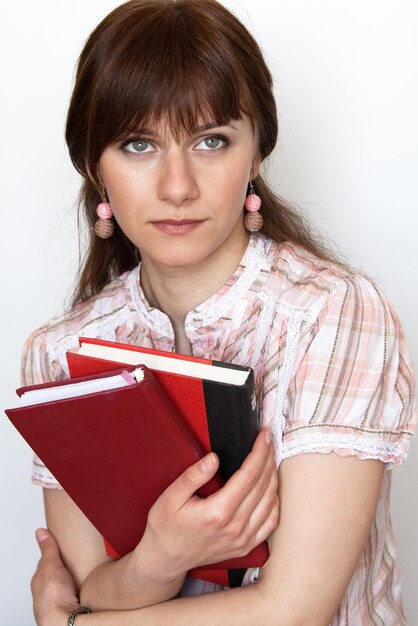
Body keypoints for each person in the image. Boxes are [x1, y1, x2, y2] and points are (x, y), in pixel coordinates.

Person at [25, 0, 416, 624]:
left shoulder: (332, 315)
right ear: (94, 168)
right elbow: (90, 584)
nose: (177, 186)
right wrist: (161, 556)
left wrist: (78, 623)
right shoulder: (60, 352)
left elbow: (293, 610)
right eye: (138, 144)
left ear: (256, 151)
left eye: (211, 141)